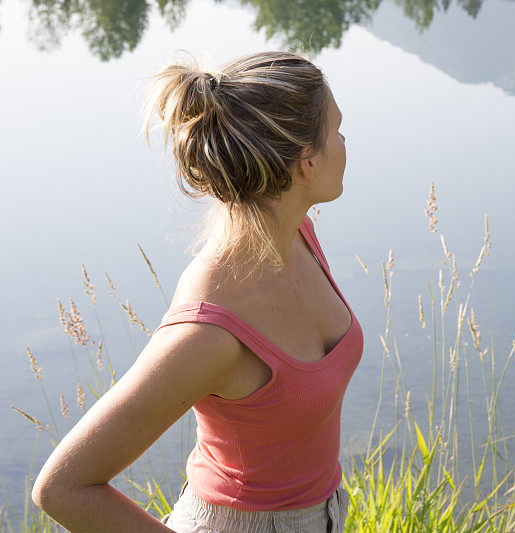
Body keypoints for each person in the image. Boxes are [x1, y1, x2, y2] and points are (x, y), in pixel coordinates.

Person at [31, 49, 363, 532]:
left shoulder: (296, 233)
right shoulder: (208, 332)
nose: (345, 140)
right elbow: (62, 487)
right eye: (336, 128)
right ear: (305, 162)